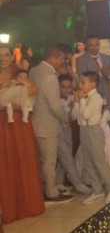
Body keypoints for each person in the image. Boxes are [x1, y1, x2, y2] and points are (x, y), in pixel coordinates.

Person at [0, 44, 45, 223]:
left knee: (22, 159)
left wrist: (17, 98)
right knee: (4, 163)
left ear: (12, 57)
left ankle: (27, 205)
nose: (2, 58)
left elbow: (35, 90)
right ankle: (8, 208)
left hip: (19, 123)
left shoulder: (19, 74)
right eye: (0, 55)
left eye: (6, 55)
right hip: (2, 122)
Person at [29, 44, 74, 203]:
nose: (63, 61)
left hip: (35, 122)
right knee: (50, 161)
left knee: (43, 160)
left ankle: (46, 188)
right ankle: (51, 192)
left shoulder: (34, 70)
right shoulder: (50, 76)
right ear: (53, 58)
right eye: (61, 58)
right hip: (48, 125)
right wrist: (65, 118)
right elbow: (54, 105)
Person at [73, 71, 110, 205]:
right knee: (88, 162)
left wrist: (82, 100)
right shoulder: (83, 97)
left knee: (99, 161)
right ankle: (97, 190)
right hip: (83, 131)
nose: (80, 85)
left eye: (83, 82)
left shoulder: (96, 97)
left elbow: (86, 114)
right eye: (80, 82)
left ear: (93, 84)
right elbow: (76, 115)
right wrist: (77, 101)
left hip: (93, 131)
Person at [55, 74, 91, 196]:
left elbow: (75, 116)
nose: (66, 89)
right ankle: (78, 184)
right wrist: (73, 104)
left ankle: (59, 182)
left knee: (66, 157)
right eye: (63, 87)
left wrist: (78, 102)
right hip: (57, 130)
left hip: (68, 130)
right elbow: (64, 116)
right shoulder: (56, 100)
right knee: (67, 157)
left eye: (69, 86)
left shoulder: (72, 97)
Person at [76, 36, 110, 116]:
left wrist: (109, 75)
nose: (94, 48)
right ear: (86, 46)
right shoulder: (80, 60)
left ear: (99, 45)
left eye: (96, 45)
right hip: (92, 99)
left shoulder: (106, 58)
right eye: (91, 45)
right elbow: (83, 80)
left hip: (108, 98)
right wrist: (101, 73)